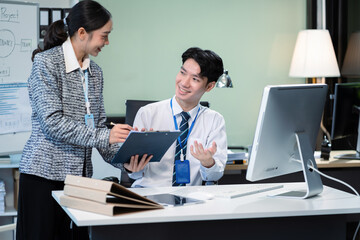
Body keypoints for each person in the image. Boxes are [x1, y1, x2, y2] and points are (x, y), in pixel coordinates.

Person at [16, 1, 147, 239]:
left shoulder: (95, 72)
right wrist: (106, 134)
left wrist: (125, 161)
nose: (107, 42)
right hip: (43, 178)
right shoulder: (45, 63)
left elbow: (98, 128)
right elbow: (52, 123)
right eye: (104, 36)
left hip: (79, 182)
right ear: (82, 33)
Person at [124, 47, 227, 187]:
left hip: (191, 201)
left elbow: (214, 176)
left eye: (195, 79)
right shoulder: (148, 113)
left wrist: (208, 162)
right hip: (150, 198)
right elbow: (134, 175)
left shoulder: (214, 120)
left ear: (209, 86)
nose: (184, 83)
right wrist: (132, 167)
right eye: (182, 73)